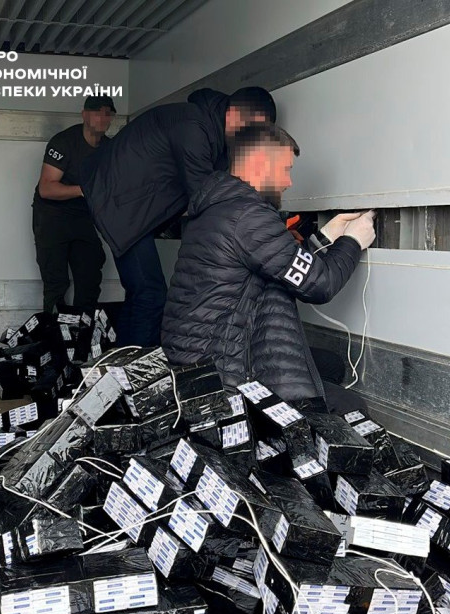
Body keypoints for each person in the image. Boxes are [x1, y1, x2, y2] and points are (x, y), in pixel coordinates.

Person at [161, 123, 376, 414]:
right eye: (285, 169)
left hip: (199, 360)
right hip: (228, 372)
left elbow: (278, 262)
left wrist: (327, 235)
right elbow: (320, 284)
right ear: (260, 163)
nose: (288, 182)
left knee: (330, 365)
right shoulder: (249, 216)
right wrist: (354, 241)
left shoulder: (219, 209)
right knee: (352, 407)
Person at [81, 87, 276, 347]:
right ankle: (135, 368)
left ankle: (117, 363)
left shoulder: (214, 136)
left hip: (128, 208)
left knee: (141, 294)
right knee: (150, 296)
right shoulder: (194, 127)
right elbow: (204, 196)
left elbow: (222, 190)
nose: (253, 140)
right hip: (118, 206)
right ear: (235, 115)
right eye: (253, 130)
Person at [32, 96, 116, 315]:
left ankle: (83, 330)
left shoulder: (110, 149)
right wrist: (85, 190)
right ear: (84, 115)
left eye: (108, 113)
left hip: (82, 215)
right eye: (97, 112)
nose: (103, 118)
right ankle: (54, 331)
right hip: (51, 214)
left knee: (90, 273)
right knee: (55, 281)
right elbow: (46, 189)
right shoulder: (64, 142)